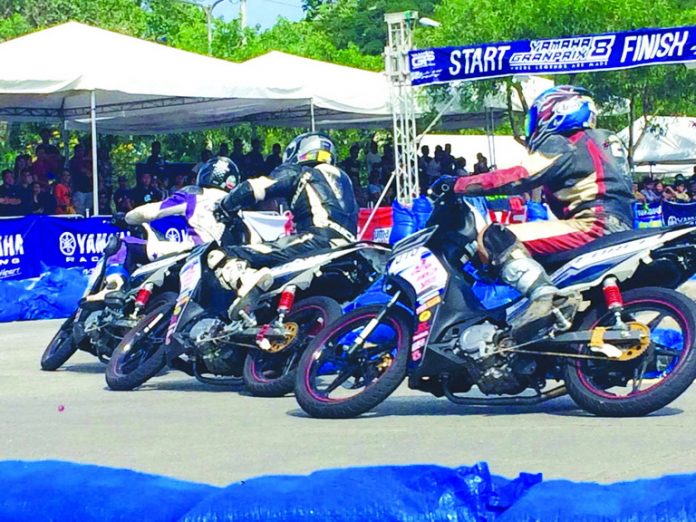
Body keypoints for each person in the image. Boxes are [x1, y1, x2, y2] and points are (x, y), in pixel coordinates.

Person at [453, 85, 633, 326]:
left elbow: (520, 176)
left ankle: (544, 297)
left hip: (593, 225)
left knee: (495, 235)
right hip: (621, 225)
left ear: (555, 111)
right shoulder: (605, 141)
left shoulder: (567, 142)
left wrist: (460, 184)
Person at [210, 132, 358, 320]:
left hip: (316, 239)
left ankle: (247, 284)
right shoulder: (344, 179)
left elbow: (255, 188)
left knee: (221, 254)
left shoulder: (302, 171)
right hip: (350, 248)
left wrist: (225, 205)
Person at [89, 157, 241, 302]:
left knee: (123, 244)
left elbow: (152, 211)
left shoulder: (195, 195)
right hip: (227, 263)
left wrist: (128, 217)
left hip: (194, 253)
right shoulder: (239, 207)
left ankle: (112, 288)